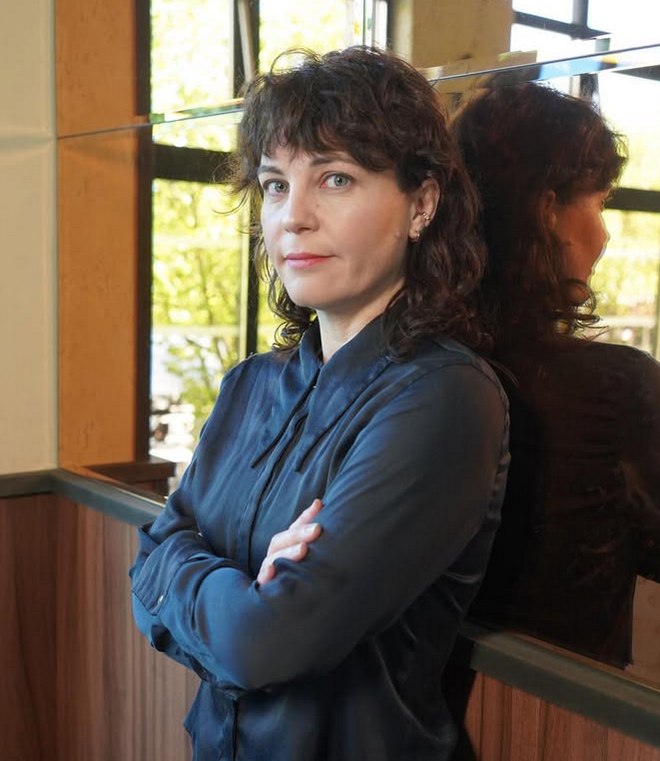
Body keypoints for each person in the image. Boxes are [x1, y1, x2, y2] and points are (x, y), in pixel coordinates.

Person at [129, 46, 509, 761]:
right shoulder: (250, 385)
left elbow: (262, 645)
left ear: (422, 204)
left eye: (335, 178)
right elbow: (146, 561)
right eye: (275, 185)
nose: (293, 217)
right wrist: (232, 584)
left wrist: (195, 575)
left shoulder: (445, 398)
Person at [451, 80, 660, 668]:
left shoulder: (422, 361)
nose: (605, 234)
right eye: (600, 204)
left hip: (433, 692)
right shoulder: (616, 389)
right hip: (564, 704)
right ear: (548, 212)